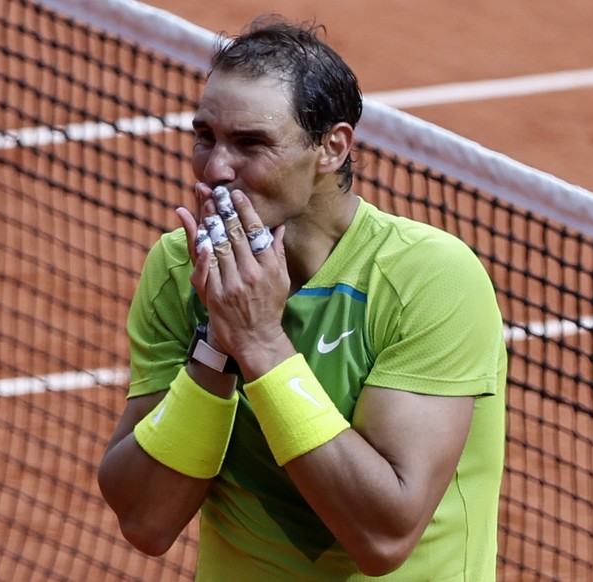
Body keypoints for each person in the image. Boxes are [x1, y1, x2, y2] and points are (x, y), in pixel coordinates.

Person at [98, 15, 507, 581]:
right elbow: (146, 521)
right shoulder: (180, 269)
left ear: (331, 148)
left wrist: (260, 342)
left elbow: (383, 536)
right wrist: (216, 345)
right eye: (205, 136)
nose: (216, 169)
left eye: (252, 144)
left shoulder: (429, 280)